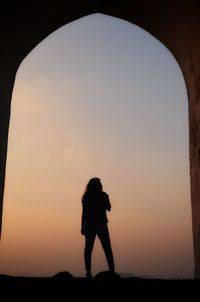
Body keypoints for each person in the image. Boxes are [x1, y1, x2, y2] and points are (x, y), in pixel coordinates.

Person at [81, 177, 115, 278]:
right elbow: (84, 213)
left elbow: (108, 208)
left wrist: (82, 226)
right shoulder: (89, 197)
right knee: (93, 248)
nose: (101, 185)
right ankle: (89, 271)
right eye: (99, 184)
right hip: (96, 224)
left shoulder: (98, 196)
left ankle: (111, 270)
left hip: (96, 224)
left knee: (103, 248)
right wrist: (82, 227)